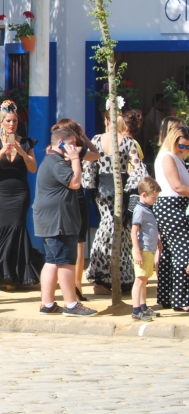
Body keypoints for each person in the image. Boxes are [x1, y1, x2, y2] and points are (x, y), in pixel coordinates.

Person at [0, 100, 45, 288]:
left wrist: (20, 150)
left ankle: (15, 273)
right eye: (8, 121)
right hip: (2, 191)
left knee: (17, 227)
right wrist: (2, 150)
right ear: (2, 122)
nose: (12, 124)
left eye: (14, 121)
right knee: (1, 228)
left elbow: (33, 167)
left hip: (20, 191)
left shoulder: (26, 142)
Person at [33, 127, 96, 316]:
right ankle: (71, 304)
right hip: (58, 220)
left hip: (51, 219)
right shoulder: (57, 163)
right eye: (72, 144)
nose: (75, 147)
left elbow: (96, 156)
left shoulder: (52, 160)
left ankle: (47, 303)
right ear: (61, 143)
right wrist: (76, 160)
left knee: (52, 261)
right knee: (66, 262)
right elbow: (75, 183)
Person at [82, 112, 147, 294]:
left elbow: (89, 167)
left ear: (106, 120)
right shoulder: (128, 142)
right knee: (120, 229)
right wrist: (131, 188)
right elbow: (138, 168)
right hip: (121, 188)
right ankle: (115, 277)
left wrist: (90, 186)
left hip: (102, 190)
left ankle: (103, 277)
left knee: (108, 227)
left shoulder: (96, 139)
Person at [51, 118, 99, 300]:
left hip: (60, 198)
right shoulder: (77, 151)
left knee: (60, 244)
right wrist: (84, 136)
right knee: (79, 244)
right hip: (76, 196)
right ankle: (76, 286)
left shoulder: (53, 151)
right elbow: (97, 154)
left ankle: (65, 286)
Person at [153, 124, 189, 311]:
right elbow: (177, 186)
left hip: (174, 207)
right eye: (181, 145)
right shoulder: (168, 157)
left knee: (169, 253)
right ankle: (182, 299)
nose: (183, 150)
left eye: (187, 147)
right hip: (171, 207)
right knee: (184, 252)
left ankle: (169, 296)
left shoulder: (175, 157)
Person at [131, 176, 161, 321]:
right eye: (154, 197)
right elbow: (134, 231)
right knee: (140, 279)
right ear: (144, 195)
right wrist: (137, 251)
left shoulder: (147, 209)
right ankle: (136, 309)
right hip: (143, 250)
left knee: (144, 279)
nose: (155, 200)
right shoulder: (140, 210)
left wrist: (157, 241)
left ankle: (143, 306)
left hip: (149, 249)